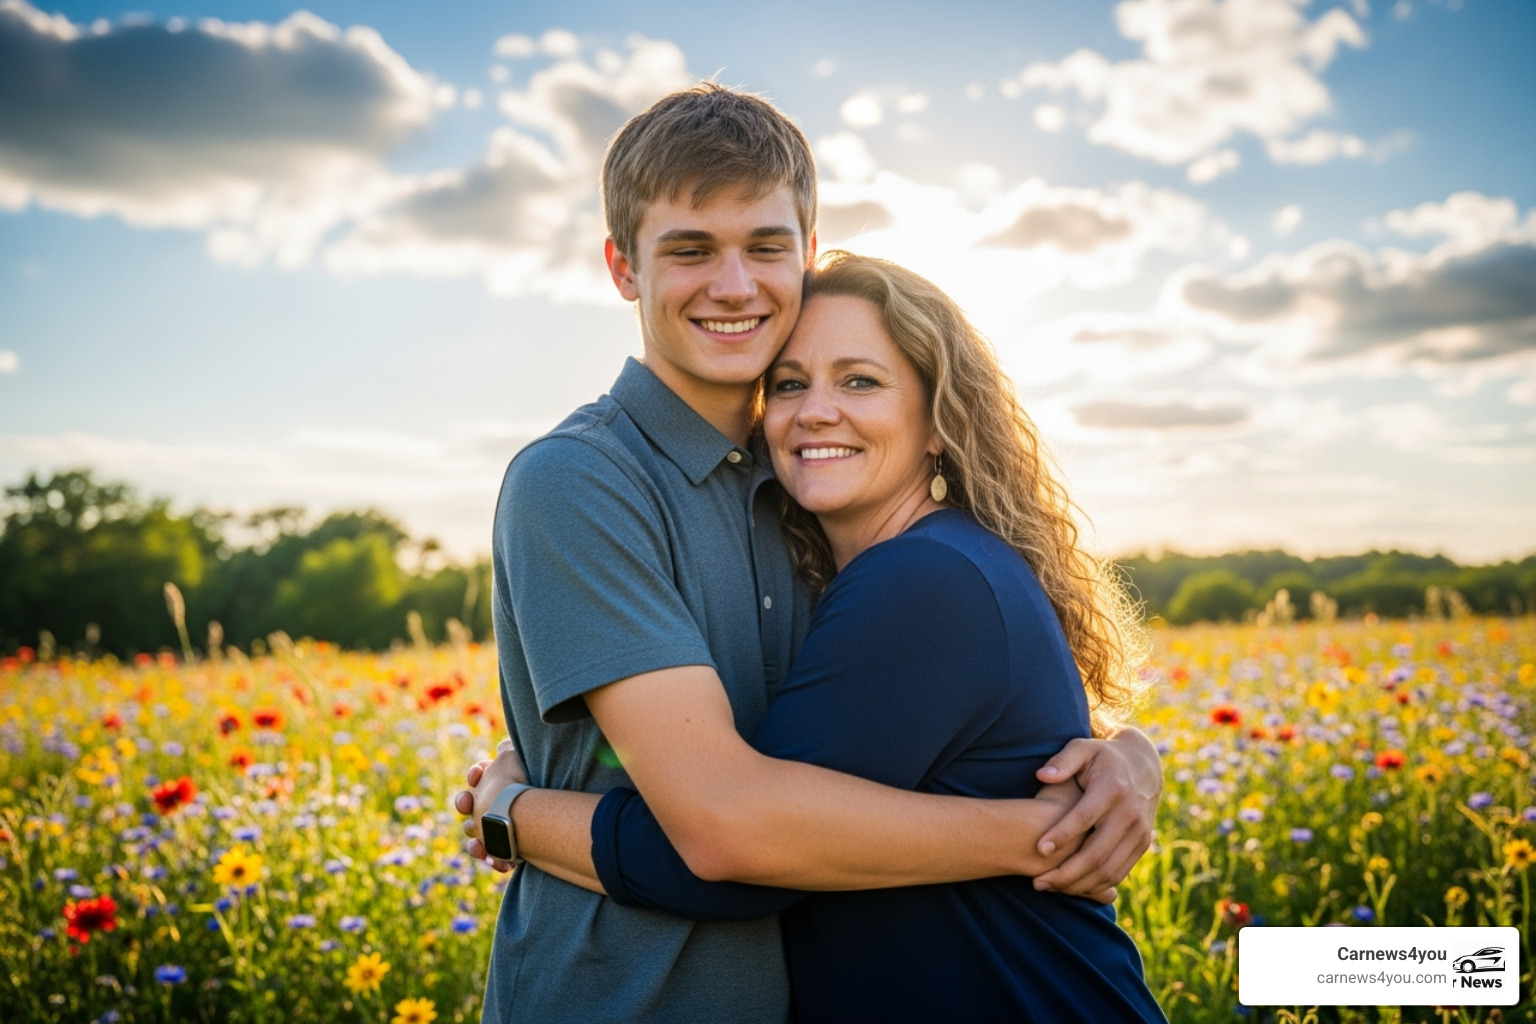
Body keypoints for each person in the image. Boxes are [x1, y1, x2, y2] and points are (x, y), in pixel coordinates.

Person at [462, 82, 1163, 1024]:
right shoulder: (582, 481)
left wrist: (1132, 753)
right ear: (623, 269)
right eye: (689, 249)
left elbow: (785, 782)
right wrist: (1036, 833)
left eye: (765, 246)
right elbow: (725, 824)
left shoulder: (807, 498)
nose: (734, 284)